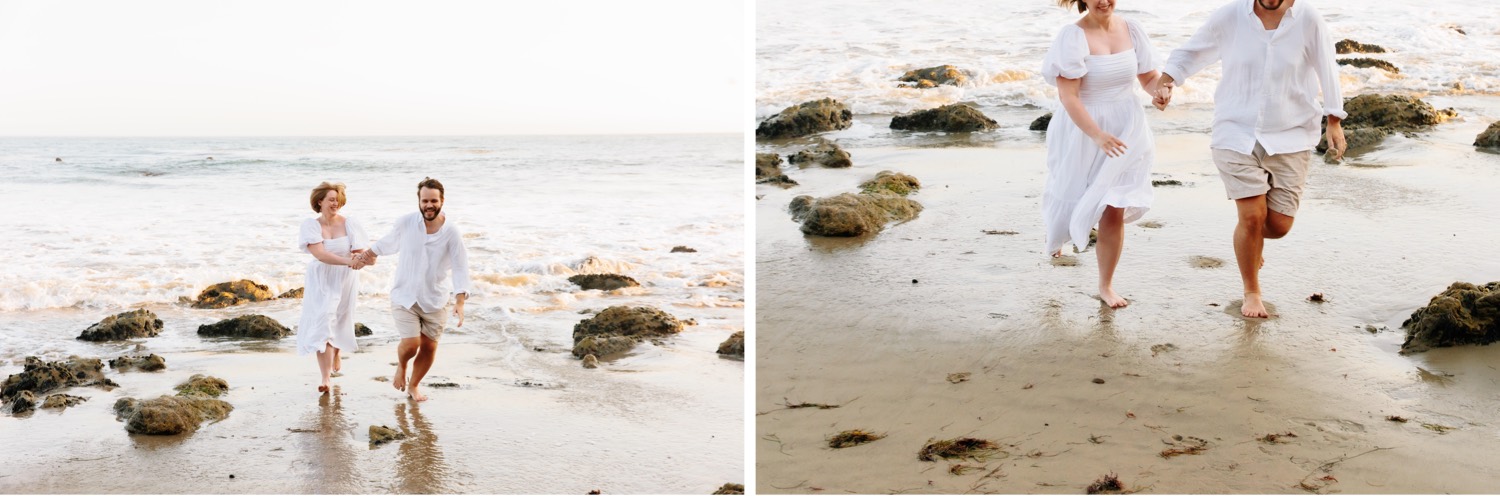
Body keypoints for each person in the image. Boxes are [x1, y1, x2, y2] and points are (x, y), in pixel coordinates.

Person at [1150, 0, 1347, 318]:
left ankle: (1251, 238)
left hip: (1291, 134)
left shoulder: (1309, 19)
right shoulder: (1231, 15)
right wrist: (1166, 81)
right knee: (1252, 216)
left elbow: (1327, 66)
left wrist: (1334, 119)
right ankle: (1252, 292)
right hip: (1235, 131)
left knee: (1278, 225)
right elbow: (1194, 50)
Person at [1041, 0, 1164, 308]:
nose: (1103, 0)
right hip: (1083, 128)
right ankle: (1058, 236)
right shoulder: (1073, 37)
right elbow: (1068, 96)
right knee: (1071, 191)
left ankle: (1105, 286)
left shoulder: (1132, 29)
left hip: (1126, 127)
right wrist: (1096, 134)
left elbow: (1148, 77)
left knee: (1115, 204)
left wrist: (1160, 92)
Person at [357, 177, 470, 402]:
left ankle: (414, 386)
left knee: (428, 347)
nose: (429, 205)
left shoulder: (452, 232)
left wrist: (459, 301)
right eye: (425, 200)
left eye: (434, 201)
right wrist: (364, 257)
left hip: (435, 298)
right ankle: (401, 365)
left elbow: (460, 266)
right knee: (411, 344)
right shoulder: (407, 223)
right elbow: (386, 243)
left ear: (442, 201)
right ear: (419, 201)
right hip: (404, 294)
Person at [296, 182, 372, 394]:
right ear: (319, 202)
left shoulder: (350, 223)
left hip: (345, 278)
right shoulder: (310, 226)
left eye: (337, 199)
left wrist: (360, 258)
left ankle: (336, 352)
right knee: (324, 322)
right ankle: (325, 378)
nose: (335, 203)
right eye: (331, 199)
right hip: (321, 279)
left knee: (340, 319)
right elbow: (320, 254)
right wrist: (349, 262)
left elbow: (358, 251)